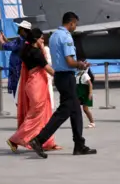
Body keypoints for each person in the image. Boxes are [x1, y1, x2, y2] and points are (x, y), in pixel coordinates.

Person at [28, 12, 96, 159]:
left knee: (75, 110)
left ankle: (79, 144)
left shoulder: (53, 36)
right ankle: (39, 140)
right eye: (75, 24)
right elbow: (70, 62)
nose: (75, 27)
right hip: (67, 77)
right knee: (65, 110)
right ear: (71, 23)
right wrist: (81, 64)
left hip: (59, 76)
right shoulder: (65, 37)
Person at [6, 28, 62, 153]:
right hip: (37, 85)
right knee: (35, 116)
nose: (43, 40)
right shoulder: (36, 53)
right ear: (36, 39)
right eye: (42, 38)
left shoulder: (26, 50)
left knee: (37, 116)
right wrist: (60, 77)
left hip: (31, 84)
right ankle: (15, 139)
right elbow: (47, 68)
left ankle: (42, 141)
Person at [0, 20, 31, 103]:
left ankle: (21, 112)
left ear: (23, 30)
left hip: (16, 70)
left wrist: (1, 41)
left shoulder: (20, 40)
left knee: (17, 94)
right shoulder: (27, 41)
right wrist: (6, 40)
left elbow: (10, 47)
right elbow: (15, 46)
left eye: (20, 28)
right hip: (22, 69)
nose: (18, 29)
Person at [43, 34, 56, 112]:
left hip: (46, 72)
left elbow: (49, 61)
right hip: (47, 71)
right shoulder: (46, 48)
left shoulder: (46, 49)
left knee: (49, 89)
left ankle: (50, 106)